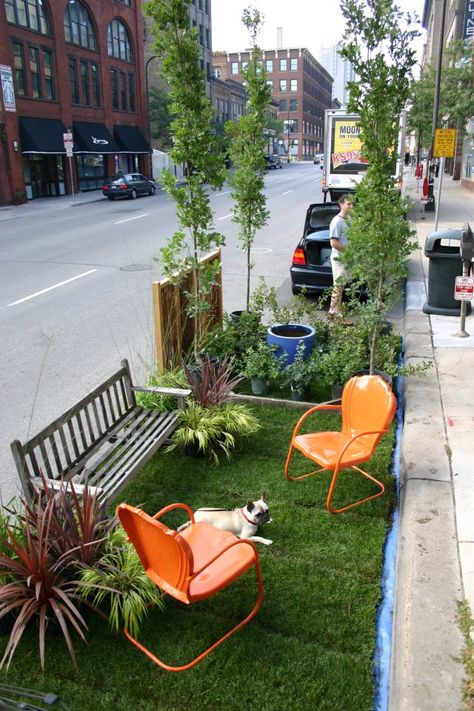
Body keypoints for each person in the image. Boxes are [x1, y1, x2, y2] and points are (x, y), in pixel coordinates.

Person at [329, 194, 353, 321]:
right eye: (348, 204)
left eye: (352, 204)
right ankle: (334, 311)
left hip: (347, 260)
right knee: (338, 285)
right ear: (341, 205)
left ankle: (334, 311)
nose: (351, 206)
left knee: (341, 285)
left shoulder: (350, 219)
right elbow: (334, 243)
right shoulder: (337, 222)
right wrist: (349, 251)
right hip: (339, 260)